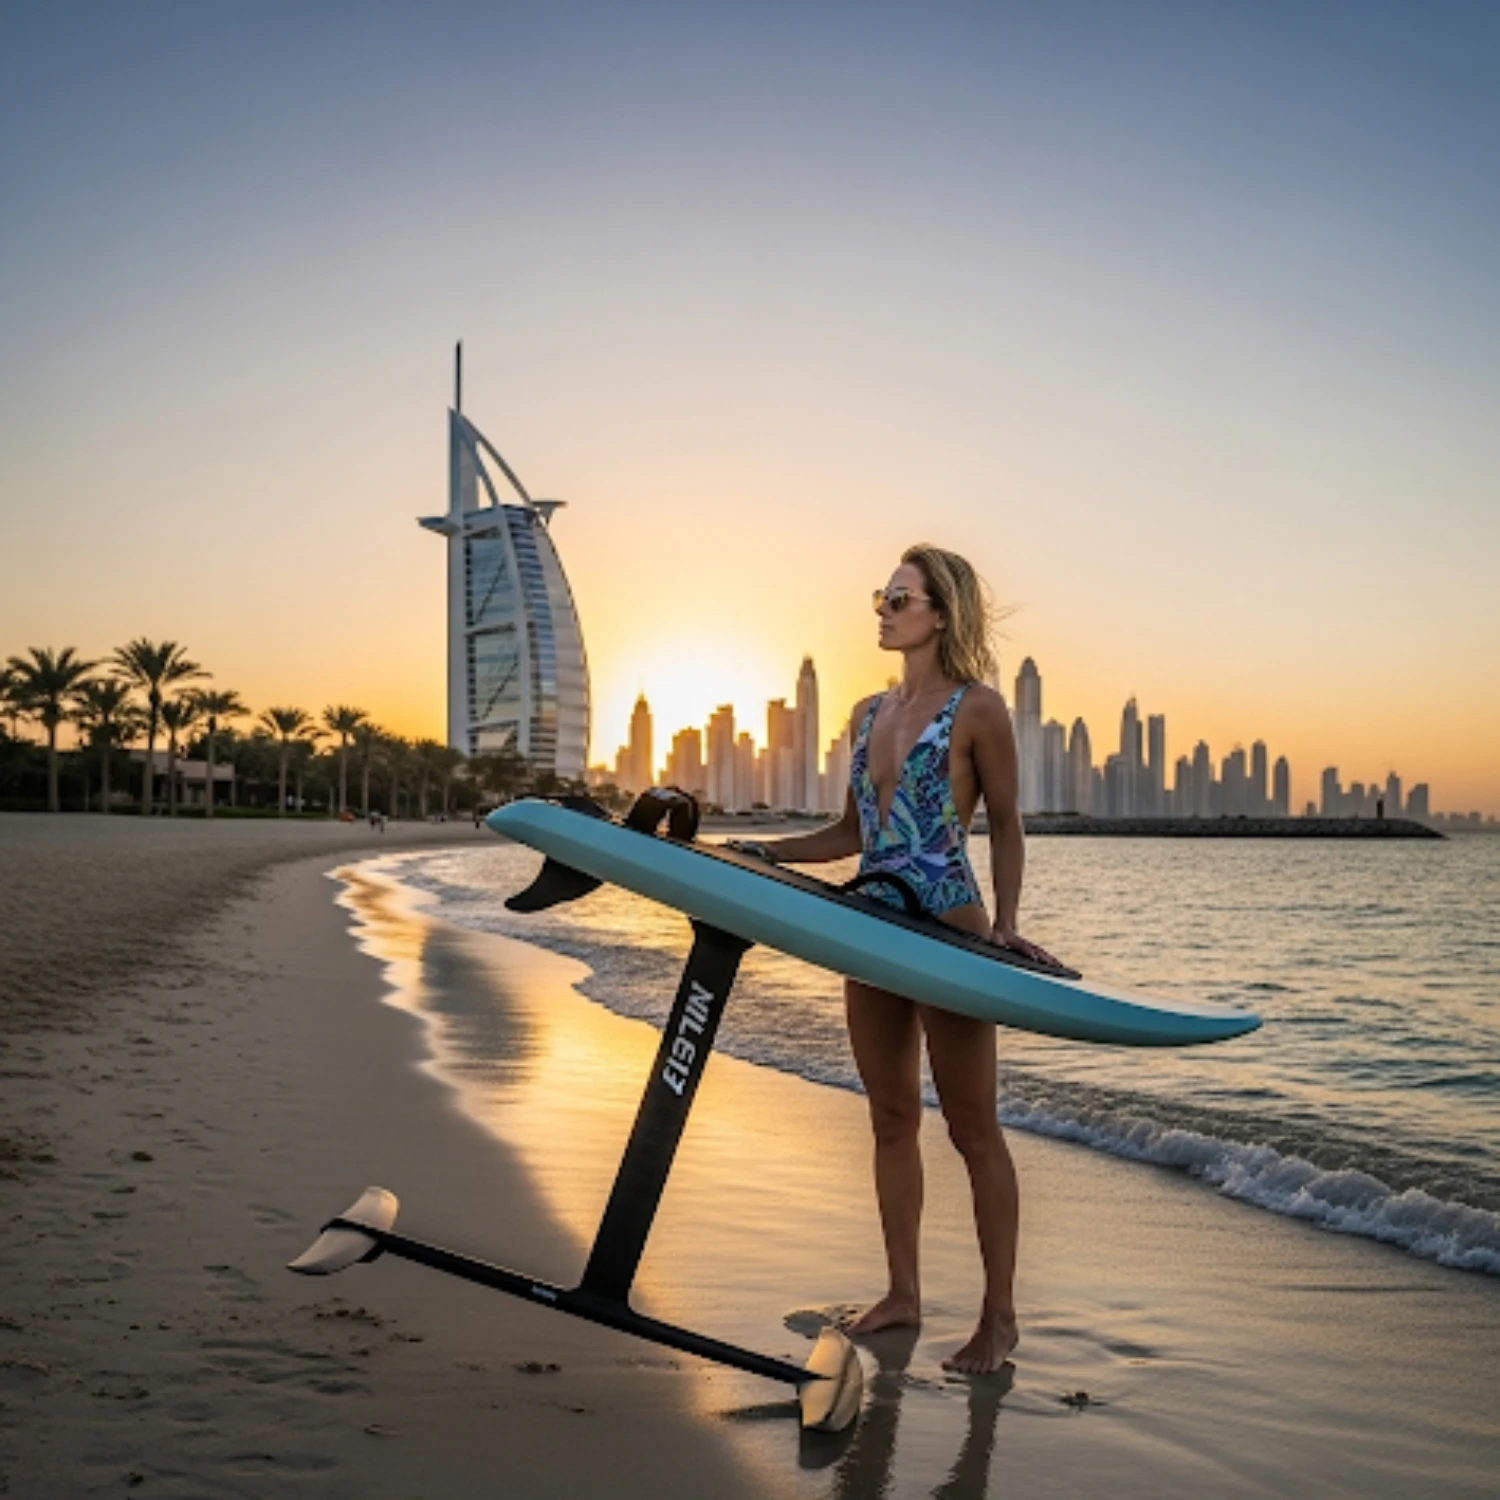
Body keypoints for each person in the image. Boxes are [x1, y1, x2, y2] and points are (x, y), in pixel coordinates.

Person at [728, 544, 1056, 1375]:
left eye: (897, 597)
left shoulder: (977, 709)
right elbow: (851, 833)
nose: (881, 607)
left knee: (975, 1129)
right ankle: (903, 1293)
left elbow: (1008, 824)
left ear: (939, 613)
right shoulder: (868, 713)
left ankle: (1000, 1320)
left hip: (948, 925)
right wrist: (766, 856)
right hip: (868, 923)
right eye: (881, 595)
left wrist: (1007, 926)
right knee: (890, 1118)